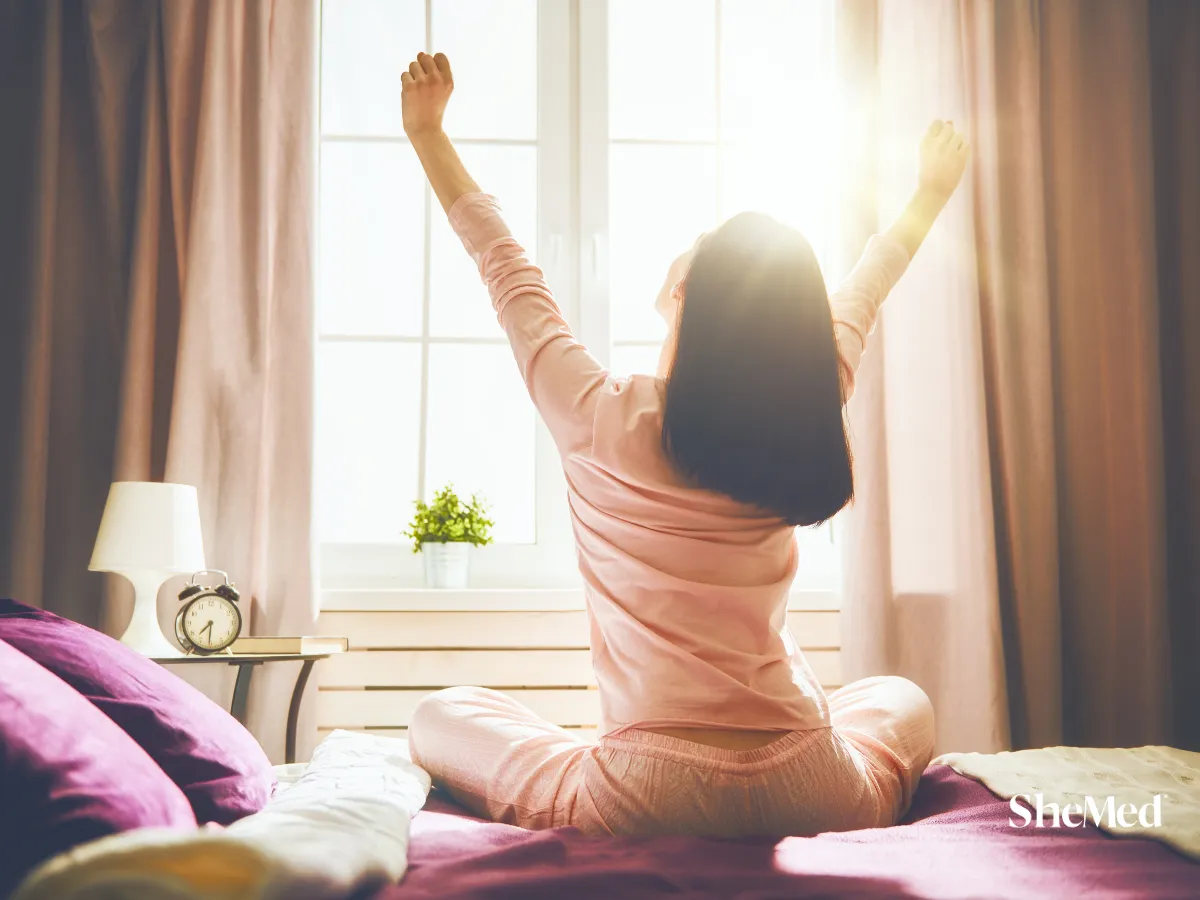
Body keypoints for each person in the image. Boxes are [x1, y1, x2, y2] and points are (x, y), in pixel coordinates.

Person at [401, 51, 969, 838]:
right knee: (903, 701)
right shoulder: (802, 407)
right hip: (812, 781)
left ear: (682, 294)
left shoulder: (596, 413)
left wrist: (428, 134)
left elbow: (507, 267)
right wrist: (930, 194)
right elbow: (869, 284)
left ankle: (582, 766)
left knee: (440, 716)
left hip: (646, 790)